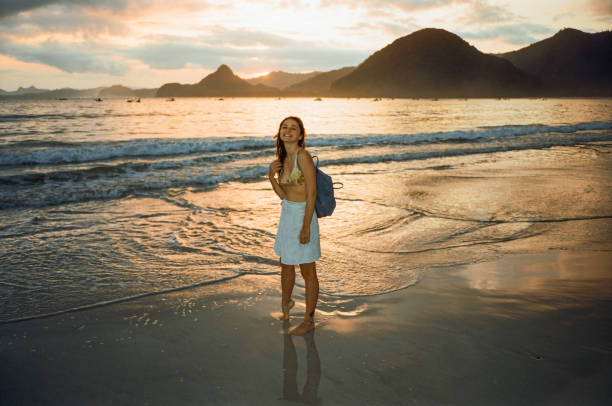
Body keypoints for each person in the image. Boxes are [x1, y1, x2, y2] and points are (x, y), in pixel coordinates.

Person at [268, 116, 320, 335]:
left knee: (307, 269)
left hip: (303, 215)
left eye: (293, 128)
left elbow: (312, 193)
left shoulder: (303, 157)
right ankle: (286, 305)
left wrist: (306, 226)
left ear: (300, 135)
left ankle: (309, 319)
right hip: (287, 214)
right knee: (286, 264)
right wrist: (271, 177)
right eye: (284, 127)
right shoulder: (283, 159)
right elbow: (284, 195)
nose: (287, 130)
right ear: (279, 132)